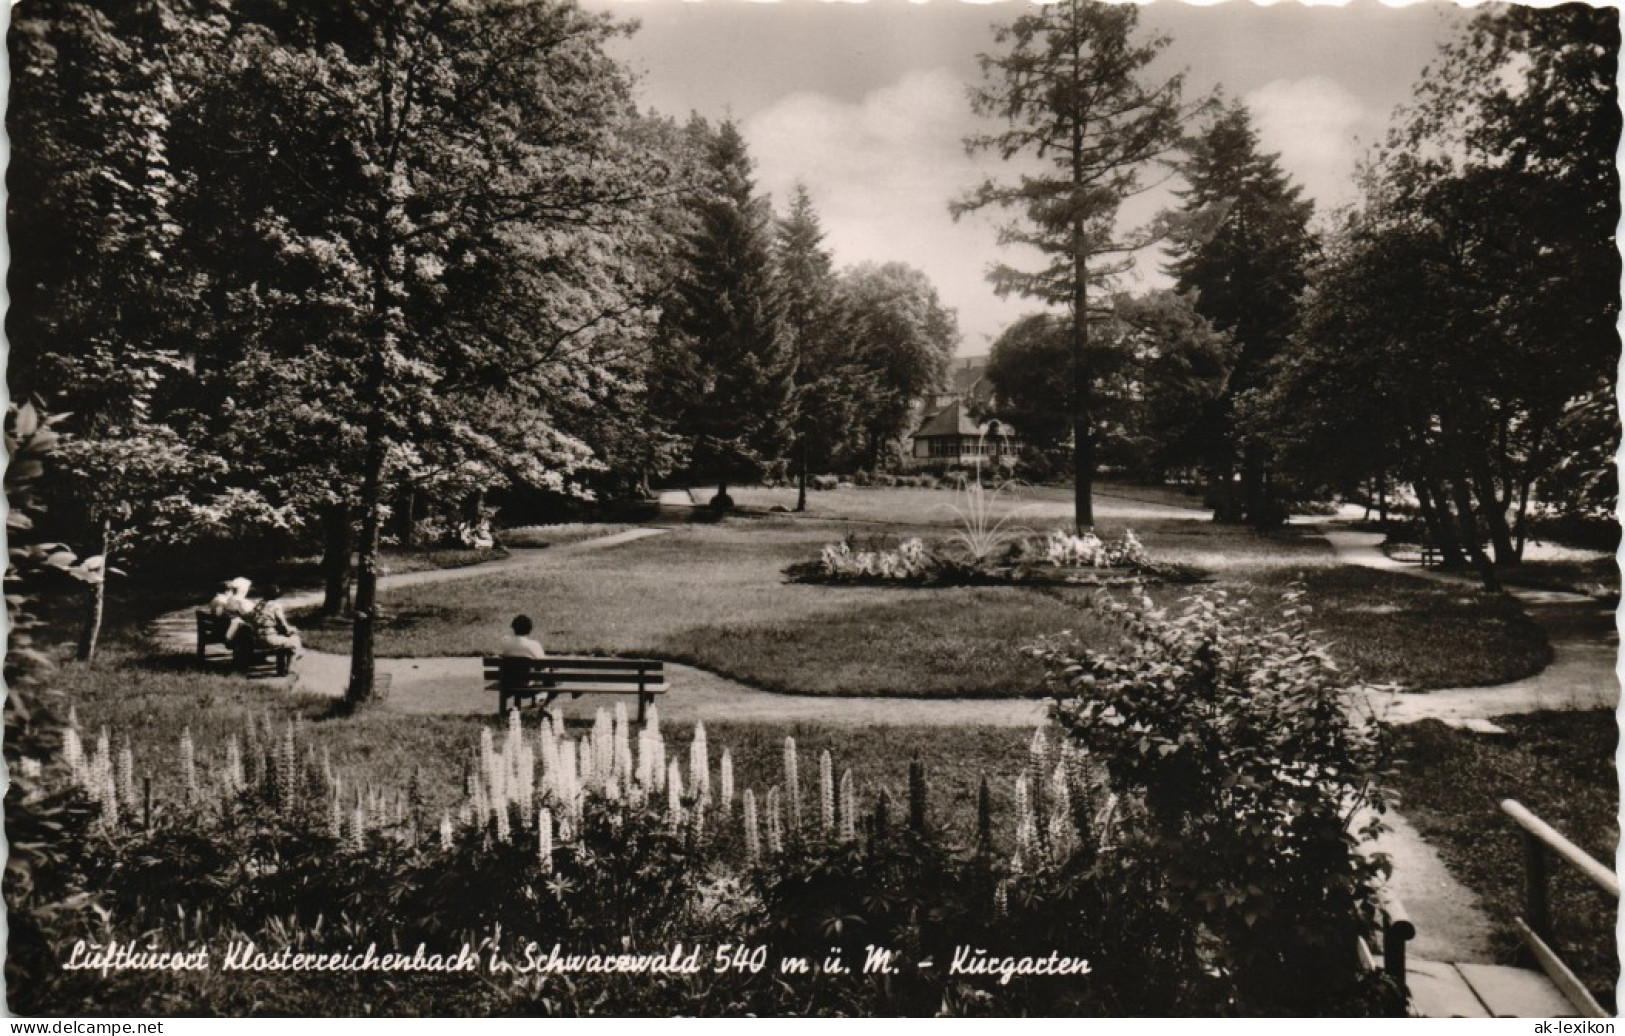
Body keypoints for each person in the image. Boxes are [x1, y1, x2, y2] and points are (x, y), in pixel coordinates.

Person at [246, 583, 302, 656]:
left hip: (256, 638)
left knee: (284, 640)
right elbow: (283, 624)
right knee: (295, 640)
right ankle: (289, 665)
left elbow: (251, 618)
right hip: (269, 638)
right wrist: (292, 630)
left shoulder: (259, 605)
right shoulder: (275, 606)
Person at [207, 577, 255, 646]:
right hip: (234, 633)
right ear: (243, 589)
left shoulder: (228, 600)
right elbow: (250, 615)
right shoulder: (239, 601)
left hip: (228, 629)